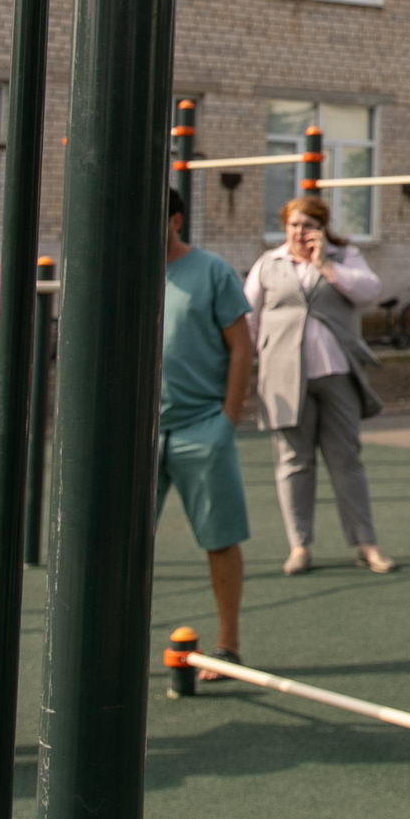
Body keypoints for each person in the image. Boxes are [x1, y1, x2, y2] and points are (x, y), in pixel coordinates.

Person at [245, 194, 391, 576]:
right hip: (283, 378)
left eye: (309, 225)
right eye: (294, 224)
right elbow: (249, 320)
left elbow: (368, 291)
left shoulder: (345, 258)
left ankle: (365, 544)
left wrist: (325, 264)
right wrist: (250, 363)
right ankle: (299, 545)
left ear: (323, 228)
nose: (300, 232)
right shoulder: (268, 264)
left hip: (335, 373)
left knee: (346, 460)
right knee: (294, 463)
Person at [160, 188, 253, 669]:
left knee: (220, 537)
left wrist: (227, 417)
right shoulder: (125, 269)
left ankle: (228, 643)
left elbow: (241, 346)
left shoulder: (211, 271)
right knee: (121, 546)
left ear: (175, 220)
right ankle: (114, 643)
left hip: (201, 425)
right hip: (142, 433)